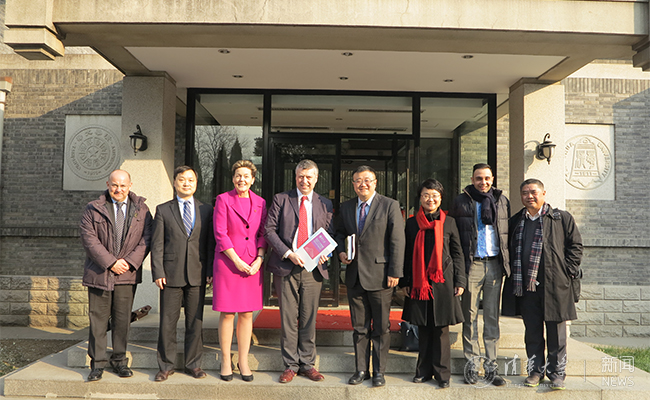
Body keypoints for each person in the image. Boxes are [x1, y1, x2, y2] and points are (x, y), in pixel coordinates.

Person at [502, 179, 583, 390]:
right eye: (525, 192)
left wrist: (566, 271)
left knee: (557, 335)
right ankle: (535, 371)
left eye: (533, 192)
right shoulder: (516, 221)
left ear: (543, 193)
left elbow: (575, 246)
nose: (529, 196)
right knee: (532, 334)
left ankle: (557, 374)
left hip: (555, 286)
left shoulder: (560, 218)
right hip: (527, 287)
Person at [335, 165, 405, 387]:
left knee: (381, 328)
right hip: (355, 276)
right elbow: (339, 234)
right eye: (358, 180)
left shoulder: (389, 205)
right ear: (353, 184)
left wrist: (395, 271)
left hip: (381, 276)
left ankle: (379, 372)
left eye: (367, 180)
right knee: (359, 327)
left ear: (375, 183)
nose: (362, 184)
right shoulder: (346, 207)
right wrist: (341, 252)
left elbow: (397, 240)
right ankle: (361, 370)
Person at [265, 159, 334, 384]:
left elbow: (330, 234)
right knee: (288, 317)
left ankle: (307, 364)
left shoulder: (325, 203)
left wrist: (326, 252)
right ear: (295, 177)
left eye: (309, 177)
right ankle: (290, 365)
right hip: (286, 265)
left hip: (313, 268)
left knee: (308, 317)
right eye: (300, 176)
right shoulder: (281, 199)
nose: (304, 181)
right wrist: (288, 253)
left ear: (316, 178)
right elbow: (269, 230)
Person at [80, 169, 152, 382]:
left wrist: (128, 262)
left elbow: (147, 238)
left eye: (122, 185)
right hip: (100, 273)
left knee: (122, 320)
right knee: (98, 321)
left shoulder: (142, 209)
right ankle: (97, 364)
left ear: (130, 186)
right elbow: (89, 239)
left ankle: (120, 361)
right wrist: (111, 262)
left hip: (127, 274)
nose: (118, 189)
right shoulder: (93, 208)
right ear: (108, 185)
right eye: (114, 185)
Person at [400, 179, 465, 389]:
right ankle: (423, 371)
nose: (431, 199)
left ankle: (443, 374)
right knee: (423, 328)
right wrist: (405, 282)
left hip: (443, 282)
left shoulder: (449, 222)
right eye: (426, 195)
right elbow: (406, 254)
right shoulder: (412, 223)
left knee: (441, 330)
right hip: (419, 283)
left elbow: (457, 254)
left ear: (441, 198)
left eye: (435, 195)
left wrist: (460, 281)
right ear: (420, 198)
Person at [448, 163, 509, 385]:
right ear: (472, 180)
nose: (483, 182)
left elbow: (506, 232)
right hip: (471, 264)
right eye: (479, 178)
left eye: (487, 178)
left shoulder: (501, 201)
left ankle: (492, 368)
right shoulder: (461, 201)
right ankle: (472, 366)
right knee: (470, 316)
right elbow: (453, 236)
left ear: (492, 179)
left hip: (494, 264)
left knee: (492, 317)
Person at [152, 166, 214, 382]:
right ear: (175, 183)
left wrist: (209, 270)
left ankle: (193, 364)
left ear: (196, 183)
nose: (186, 183)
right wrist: (158, 271)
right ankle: (165, 366)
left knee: (195, 322)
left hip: (197, 273)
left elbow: (210, 243)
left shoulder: (206, 210)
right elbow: (157, 244)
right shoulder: (163, 210)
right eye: (182, 179)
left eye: (191, 180)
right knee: (167, 323)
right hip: (169, 275)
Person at [212, 160, 267, 382]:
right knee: (227, 313)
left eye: (246, 176)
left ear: (253, 179)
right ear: (233, 178)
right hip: (228, 262)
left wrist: (260, 259)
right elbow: (220, 233)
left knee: (246, 313)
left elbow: (263, 233)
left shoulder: (261, 202)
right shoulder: (223, 199)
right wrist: (235, 259)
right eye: (237, 175)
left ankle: (243, 360)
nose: (241, 179)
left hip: (252, 264)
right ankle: (226, 360)